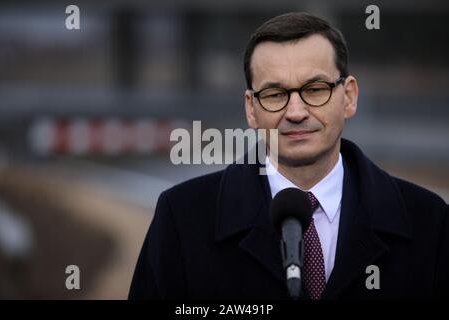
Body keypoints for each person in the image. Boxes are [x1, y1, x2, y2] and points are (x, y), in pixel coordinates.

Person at [129, 12, 449, 300]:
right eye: (275, 94)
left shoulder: (429, 222)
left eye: (315, 89)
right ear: (251, 109)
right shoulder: (182, 218)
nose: (295, 112)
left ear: (348, 97)